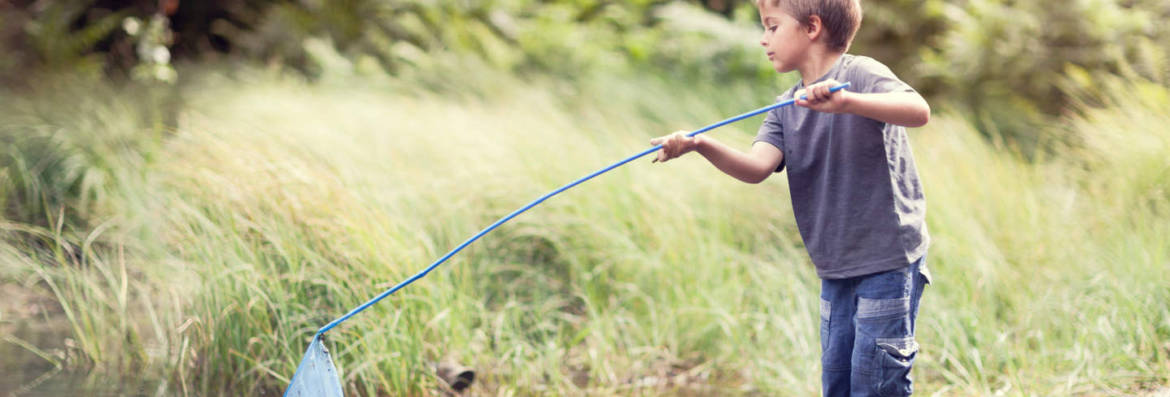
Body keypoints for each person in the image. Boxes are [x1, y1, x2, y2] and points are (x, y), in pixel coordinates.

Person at [651, 0, 933, 395]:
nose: (763, 40)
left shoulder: (860, 74)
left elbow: (918, 110)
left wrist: (847, 103)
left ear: (812, 27)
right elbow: (756, 168)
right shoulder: (785, 106)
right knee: (837, 382)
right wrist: (700, 144)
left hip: (887, 260)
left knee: (876, 383)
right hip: (834, 265)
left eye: (771, 27)